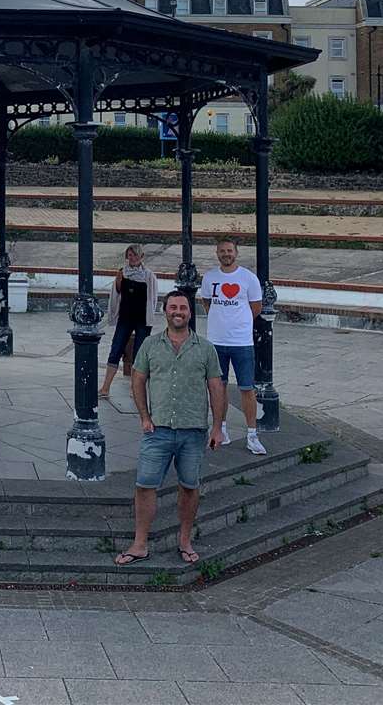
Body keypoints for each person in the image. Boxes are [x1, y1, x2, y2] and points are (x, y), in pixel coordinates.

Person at [113, 292, 224, 567]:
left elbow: (216, 388)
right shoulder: (150, 345)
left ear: (190, 312)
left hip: (193, 431)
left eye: (183, 307)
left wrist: (217, 427)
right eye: (173, 307)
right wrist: (144, 416)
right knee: (144, 485)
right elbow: (138, 380)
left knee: (189, 485)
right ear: (165, 311)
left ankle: (185, 540)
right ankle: (140, 544)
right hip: (158, 430)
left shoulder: (205, 348)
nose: (179, 311)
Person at [197, 237, 267, 455]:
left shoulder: (248, 278)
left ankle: (252, 434)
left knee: (247, 388)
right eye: (222, 251)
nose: (226, 254)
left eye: (229, 250)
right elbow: (207, 302)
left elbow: (255, 307)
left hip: (241, 342)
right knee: (219, 387)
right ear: (217, 253)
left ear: (236, 253)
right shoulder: (210, 278)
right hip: (216, 341)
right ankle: (221, 428)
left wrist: (239, 323)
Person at [101, 243, 156, 399]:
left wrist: (150, 319)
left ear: (141, 257)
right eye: (130, 255)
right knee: (116, 349)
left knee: (139, 355)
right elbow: (116, 293)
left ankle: (135, 389)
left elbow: (152, 298)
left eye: (135, 255)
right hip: (125, 317)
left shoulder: (148, 276)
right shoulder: (122, 273)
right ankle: (105, 387)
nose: (132, 258)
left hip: (142, 319)